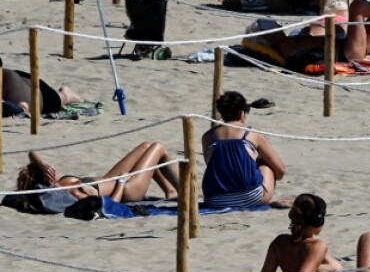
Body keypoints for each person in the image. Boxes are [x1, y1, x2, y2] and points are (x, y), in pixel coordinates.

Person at [265, 0, 370, 62]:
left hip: (351, 46)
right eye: (275, 29)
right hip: (348, 54)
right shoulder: (285, 48)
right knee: (357, 5)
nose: (278, 28)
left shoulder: (293, 39)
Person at [201, 91, 286, 208]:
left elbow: (212, 164)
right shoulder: (252, 134)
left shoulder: (207, 137)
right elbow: (280, 170)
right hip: (251, 198)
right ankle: (268, 195)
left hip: (214, 200)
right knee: (266, 163)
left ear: (221, 113)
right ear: (242, 113)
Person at [17, 142, 180, 202]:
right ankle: (185, 191)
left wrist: (42, 164)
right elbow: (108, 205)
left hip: (111, 177)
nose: (51, 171)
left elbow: (32, 152)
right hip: (128, 190)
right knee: (159, 148)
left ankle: (170, 190)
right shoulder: (68, 192)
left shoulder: (59, 181)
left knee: (146, 147)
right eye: (47, 172)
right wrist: (122, 183)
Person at [2, 66, 84, 117]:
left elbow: (23, 108)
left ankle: (66, 94)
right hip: (19, 81)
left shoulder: (11, 83)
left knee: (60, 98)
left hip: (42, 97)